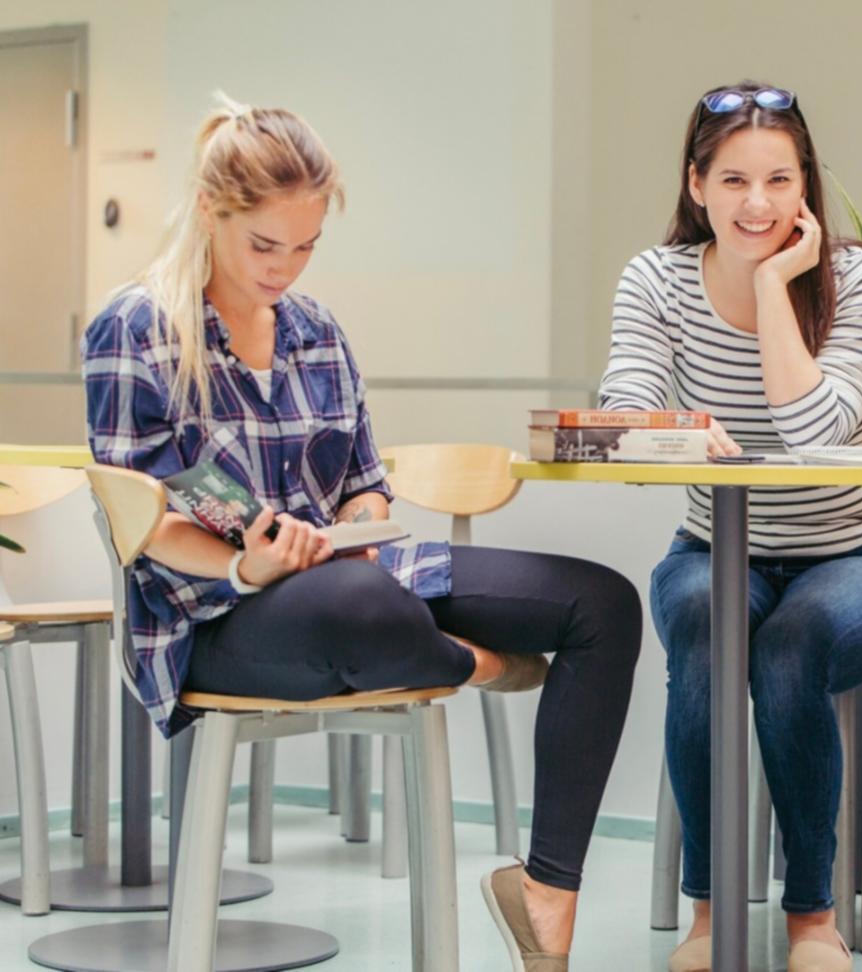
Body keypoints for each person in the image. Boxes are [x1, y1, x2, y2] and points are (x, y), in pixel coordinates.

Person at [82, 95, 640, 972]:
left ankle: (546, 897)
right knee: (353, 604)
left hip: (353, 583)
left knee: (603, 602)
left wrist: (360, 525)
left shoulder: (316, 332)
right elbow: (141, 517)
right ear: (208, 212)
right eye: (265, 245)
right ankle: (472, 663)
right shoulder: (137, 329)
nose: (285, 269)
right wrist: (246, 565)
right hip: (217, 620)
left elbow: (364, 486)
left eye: (305, 247)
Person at [597, 81, 862, 972]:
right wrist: (675, 431)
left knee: (790, 646)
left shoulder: (859, 278)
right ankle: (710, 918)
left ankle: (811, 919)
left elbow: (814, 429)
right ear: (696, 184)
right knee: (708, 624)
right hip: (715, 548)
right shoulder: (657, 279)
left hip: (859, 558)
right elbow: (622, 407)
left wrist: (777, 284)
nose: (758, 204)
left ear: (806, 186)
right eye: (735, 180)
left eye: (781, 180)